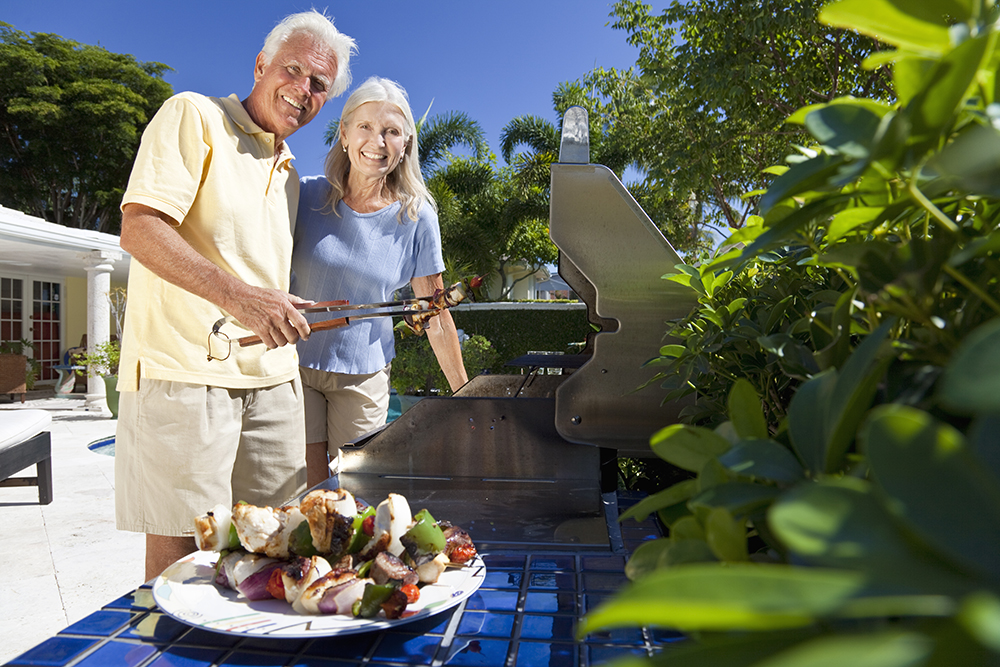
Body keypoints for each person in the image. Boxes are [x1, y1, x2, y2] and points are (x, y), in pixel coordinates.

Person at [114, 11, 357, 581]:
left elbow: (258, 270)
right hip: (184, 375)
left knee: (275, 548)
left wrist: (289, 309)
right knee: (184, 559)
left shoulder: (292, 171)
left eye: (318, 84)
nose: (302, 90)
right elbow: (141, 228)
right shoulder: (193, 116)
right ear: (260, 65)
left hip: (273, 383)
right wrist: (243, 299)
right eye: (293, 70)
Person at [291, 77, 468, 488]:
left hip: (363, 375)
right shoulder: (304, 196)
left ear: (405, 143)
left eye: (391, 131)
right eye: (366, 127)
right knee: (307, 497)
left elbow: (435, 316)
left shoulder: (417, 215)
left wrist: (465, 396)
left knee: (355, 496)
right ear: (345, 135)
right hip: (292, 367)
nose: (378, 141)